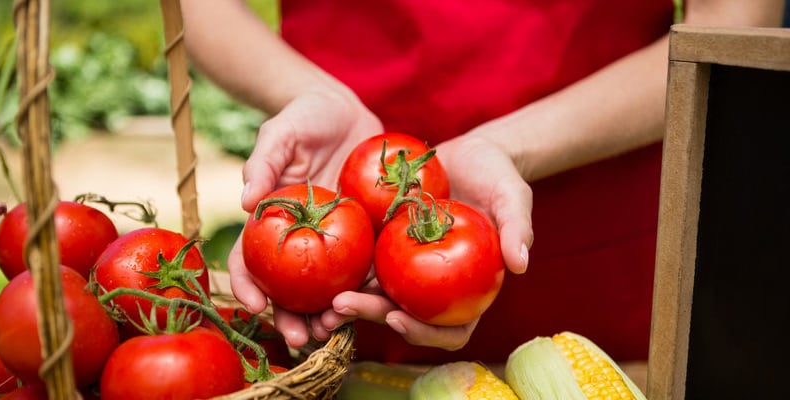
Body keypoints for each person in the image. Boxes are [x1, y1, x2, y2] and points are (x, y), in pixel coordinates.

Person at [179, 0, 785, 364]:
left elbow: (733, 21)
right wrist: (308, 94)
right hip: (335, 209)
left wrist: (511, 144)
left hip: (597, 213)